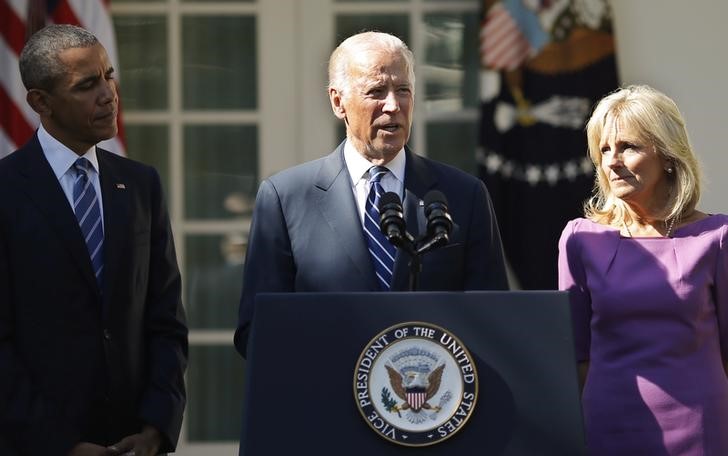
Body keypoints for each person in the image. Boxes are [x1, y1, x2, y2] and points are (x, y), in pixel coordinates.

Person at [234, 31, 508, 356]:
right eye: (377, 91)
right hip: (326, 398)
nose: (393, 105)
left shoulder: (464, 196)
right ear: (338, 102)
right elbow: (257, 330)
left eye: (403, 90)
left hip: (430, 397)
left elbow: (494, 322)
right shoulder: (284, 198)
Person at [0, 25, 188, 455]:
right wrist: (60, 444)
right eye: (87, 85)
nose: (108, 94)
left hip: (134, 440)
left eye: (108, 75)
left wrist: (157, 427)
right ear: (39, 102)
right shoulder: (7, 190)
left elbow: (166, 321)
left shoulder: (141, 184)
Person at [558, 84, 728, 454]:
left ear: (668, 156)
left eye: (628, 147)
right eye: (604, 150)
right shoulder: (580, 239)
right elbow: (574, 354)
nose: (612, 161)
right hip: (608, 425)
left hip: (702, 427)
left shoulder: (717, 238)